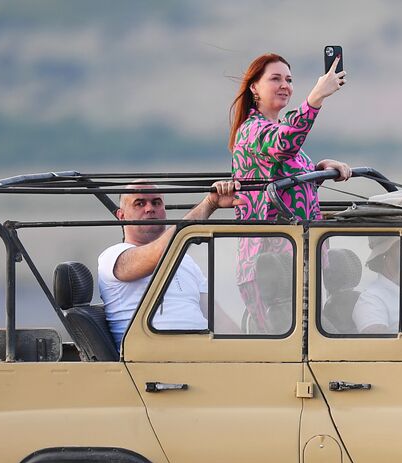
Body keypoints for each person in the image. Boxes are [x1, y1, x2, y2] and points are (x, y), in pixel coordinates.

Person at [229, 53, 351, 331]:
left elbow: (286, 179)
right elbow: (284, 144)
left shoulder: (275, 128)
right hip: (270, 267)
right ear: (254, 87)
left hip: (297, 257)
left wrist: (319, 169)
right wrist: (315, 98)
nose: (285, 85)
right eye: (275, 78)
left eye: (289, 79)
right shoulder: (251, 130)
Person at [97, 180, 239, 347]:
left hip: (203, 355)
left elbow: (219, 320)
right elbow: (159, 254)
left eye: (156, 202)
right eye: (139, 203)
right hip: (152, 360)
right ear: (121, 216)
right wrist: (209, 204)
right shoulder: (112, 256)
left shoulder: (186, 261)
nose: (150, 208)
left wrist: (254, 351)